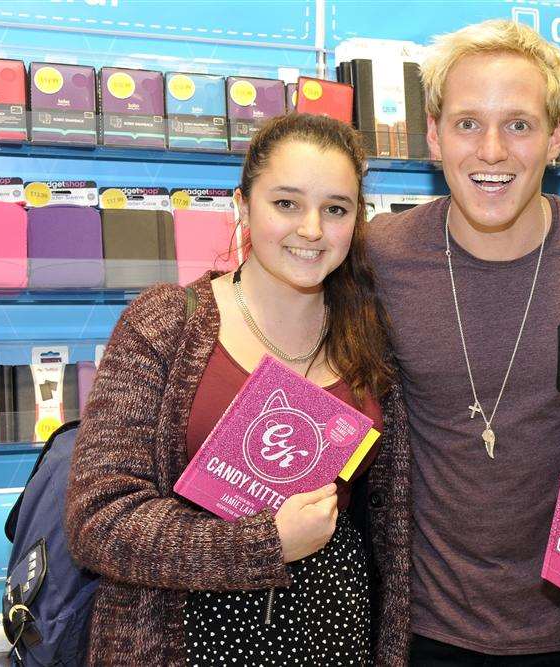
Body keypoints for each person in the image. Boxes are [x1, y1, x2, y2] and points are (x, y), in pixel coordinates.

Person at [64, 113, 410, 666]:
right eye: (287, 203)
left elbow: (389, 529)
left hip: (336, 632)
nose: (312, 229)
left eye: (336, 209)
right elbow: (100, 520)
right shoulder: (166, 325)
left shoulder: (368, 338)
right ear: (243, 206)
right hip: (183, 633)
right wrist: (266, 544)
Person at [365, 19, 560, 664]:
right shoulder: (375, 257)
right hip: (422, 629)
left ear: (558, 139)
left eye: (519, 125)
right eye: (468, 123)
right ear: (435, 137)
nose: (492, 151)